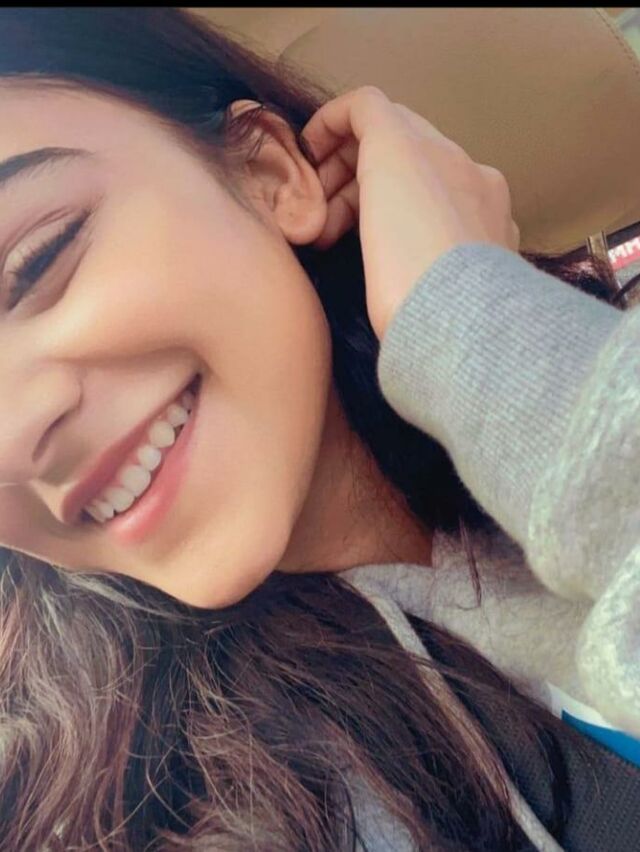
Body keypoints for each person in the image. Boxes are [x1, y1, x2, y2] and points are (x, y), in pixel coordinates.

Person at [0, 7, 637, 851]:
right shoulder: (144, 809)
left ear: (270, 175)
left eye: (37, 261)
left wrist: (470, 326)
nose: (11, 440)